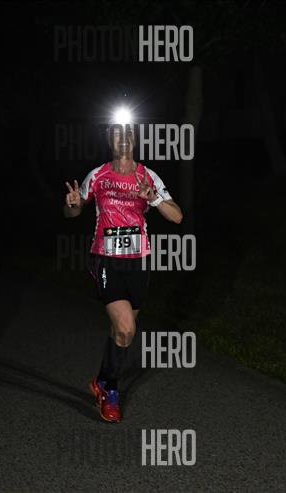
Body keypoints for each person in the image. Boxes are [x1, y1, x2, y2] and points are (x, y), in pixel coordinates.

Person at [63, 113, 183, 423]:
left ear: (136, 139)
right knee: (126, 328)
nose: (123, 139)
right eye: (117, 133)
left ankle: (101, 379)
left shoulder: (148, 177)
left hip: (138, 261)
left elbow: (177, 217)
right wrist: (73, 204)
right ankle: (110, 391)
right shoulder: (98, 175)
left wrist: (154, 200)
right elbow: (72, 212)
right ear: (110, 140)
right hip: (106, 260)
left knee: (122, 333)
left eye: (129, 133)